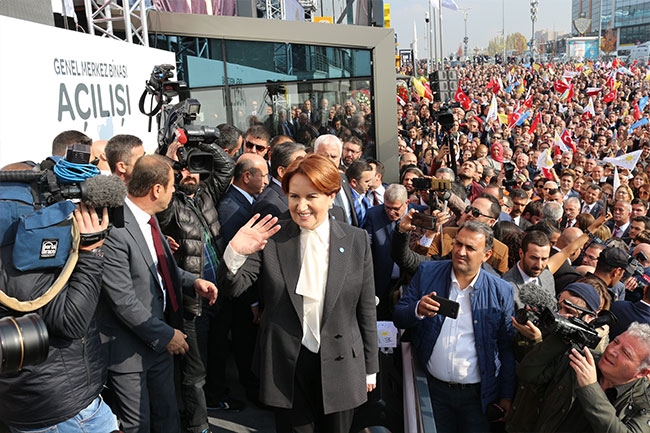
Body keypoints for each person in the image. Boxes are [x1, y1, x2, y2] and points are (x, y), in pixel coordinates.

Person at [216, 154, 379, 433]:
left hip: (341, 363)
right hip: (286, 365)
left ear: (331, 196)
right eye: (294, 196)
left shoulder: (356, 240)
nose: (301, 206)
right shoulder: (272, 237)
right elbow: (235, 287)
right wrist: (235, 252)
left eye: (311, 196)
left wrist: (370, 367)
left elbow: (365, 308)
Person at [98, 155, 218, 433]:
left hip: (160, 343)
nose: (175, 190)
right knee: (139, 425)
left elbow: (160, 269)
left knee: (168, 419)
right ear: (156, 190)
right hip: (131, 354)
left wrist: (192, 281)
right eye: (172, 185)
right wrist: (166, 335)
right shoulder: (116, 228)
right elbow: (123, 300)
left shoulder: (149, 221)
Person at [0, 202, 118, 432]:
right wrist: (92, 253)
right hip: (62, 412)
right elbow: (71, 322)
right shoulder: (24, 259)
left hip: (23, 405)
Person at [393, 221, 515, 433]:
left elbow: (506, 347)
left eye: (470, 248)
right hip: (433, 391)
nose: (460, 252)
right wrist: (418, 309)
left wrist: (505, 395)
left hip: (477, 398)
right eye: (458, 244)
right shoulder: (428, 272)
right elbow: (399, 316)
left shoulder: (501, 290)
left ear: (486, 255)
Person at [156, 136, 236, 431]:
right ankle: (197, 425)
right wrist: (170, 160)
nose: (189, 176)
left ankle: (216, 400)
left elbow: (226, 167)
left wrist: (209, 142)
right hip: (192, 297)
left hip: (219, 289)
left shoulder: (205, 193)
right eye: (182, 172)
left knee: (216, 353)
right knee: (194, 371)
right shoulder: (169, 204)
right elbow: (158, 179)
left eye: (193, 170)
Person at [513, 321, 650, 433]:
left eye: (625, 353)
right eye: (615, 342)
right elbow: (527, 373)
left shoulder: (644, 403)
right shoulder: (581, 359)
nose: (612, 350)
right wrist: (560, 339)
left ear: (642, 372)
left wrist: (590, 389)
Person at [503, 230, 555, 309]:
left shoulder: (547, 276)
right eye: (534, 258)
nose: (539, 265)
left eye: (544, 259)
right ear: (521, 253)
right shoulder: (505, 286)